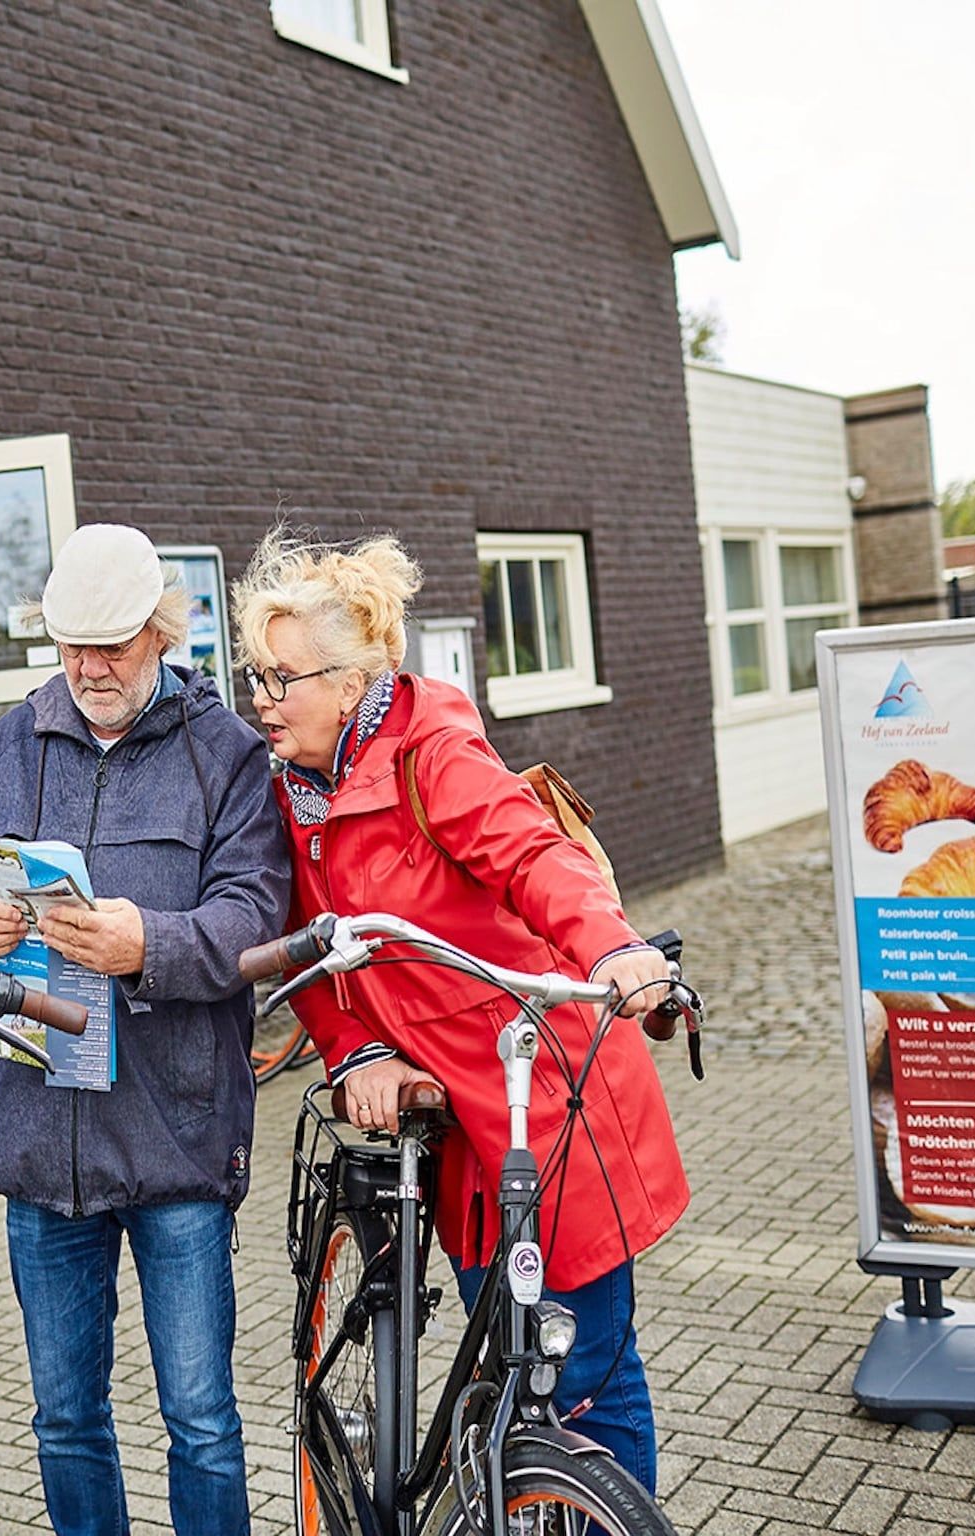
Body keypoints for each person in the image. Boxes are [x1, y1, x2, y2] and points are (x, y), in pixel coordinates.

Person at [231, 528, 687, 1493]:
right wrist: (354, 1053)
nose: (261, 701)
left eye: (281, 679)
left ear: (350, 684)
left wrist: (613, 946)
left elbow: (531, 855)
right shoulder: (292, 797)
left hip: (543, 1100)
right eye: (253, 677)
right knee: (503, 1361)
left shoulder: (429, 756)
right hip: (452, 1124)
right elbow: (317, 958)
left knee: (590, 1380)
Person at [0, 523, 289, 1536]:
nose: (87, 668)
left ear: (160, 632)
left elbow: (258, 920)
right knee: (64, 1419)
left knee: (201, 1420)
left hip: (173, 1135)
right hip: (39, 1138)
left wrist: (151, 945)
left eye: (110, 646)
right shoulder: (10, 741)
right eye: (70, 645)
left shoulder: (226, 755)